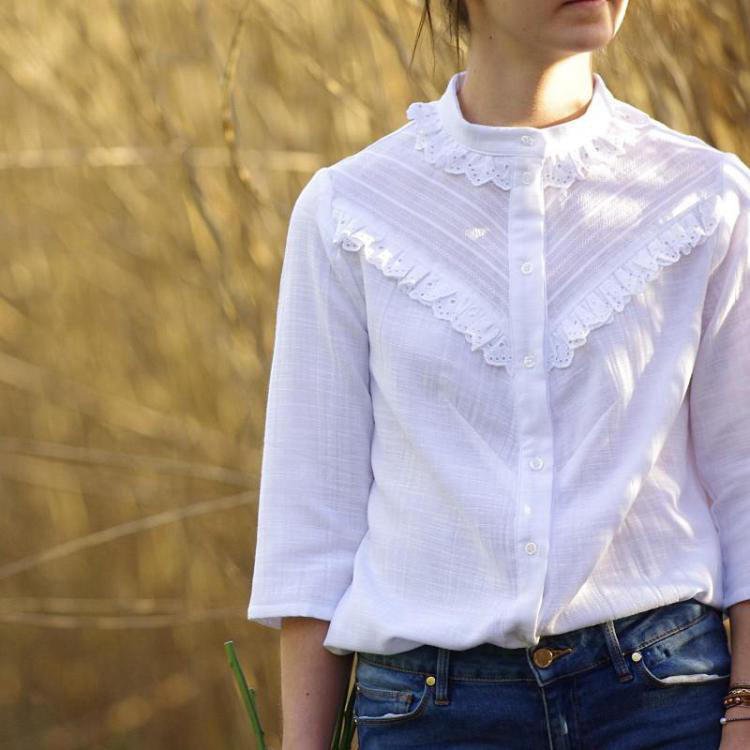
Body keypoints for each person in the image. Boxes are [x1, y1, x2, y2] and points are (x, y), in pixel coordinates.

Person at [247, 1, 750, 748]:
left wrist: (745, 711)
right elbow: (313, 532)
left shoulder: (707, 196)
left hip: (666, 702)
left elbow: (745, 487)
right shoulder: (348, 211)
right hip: (428, 714)